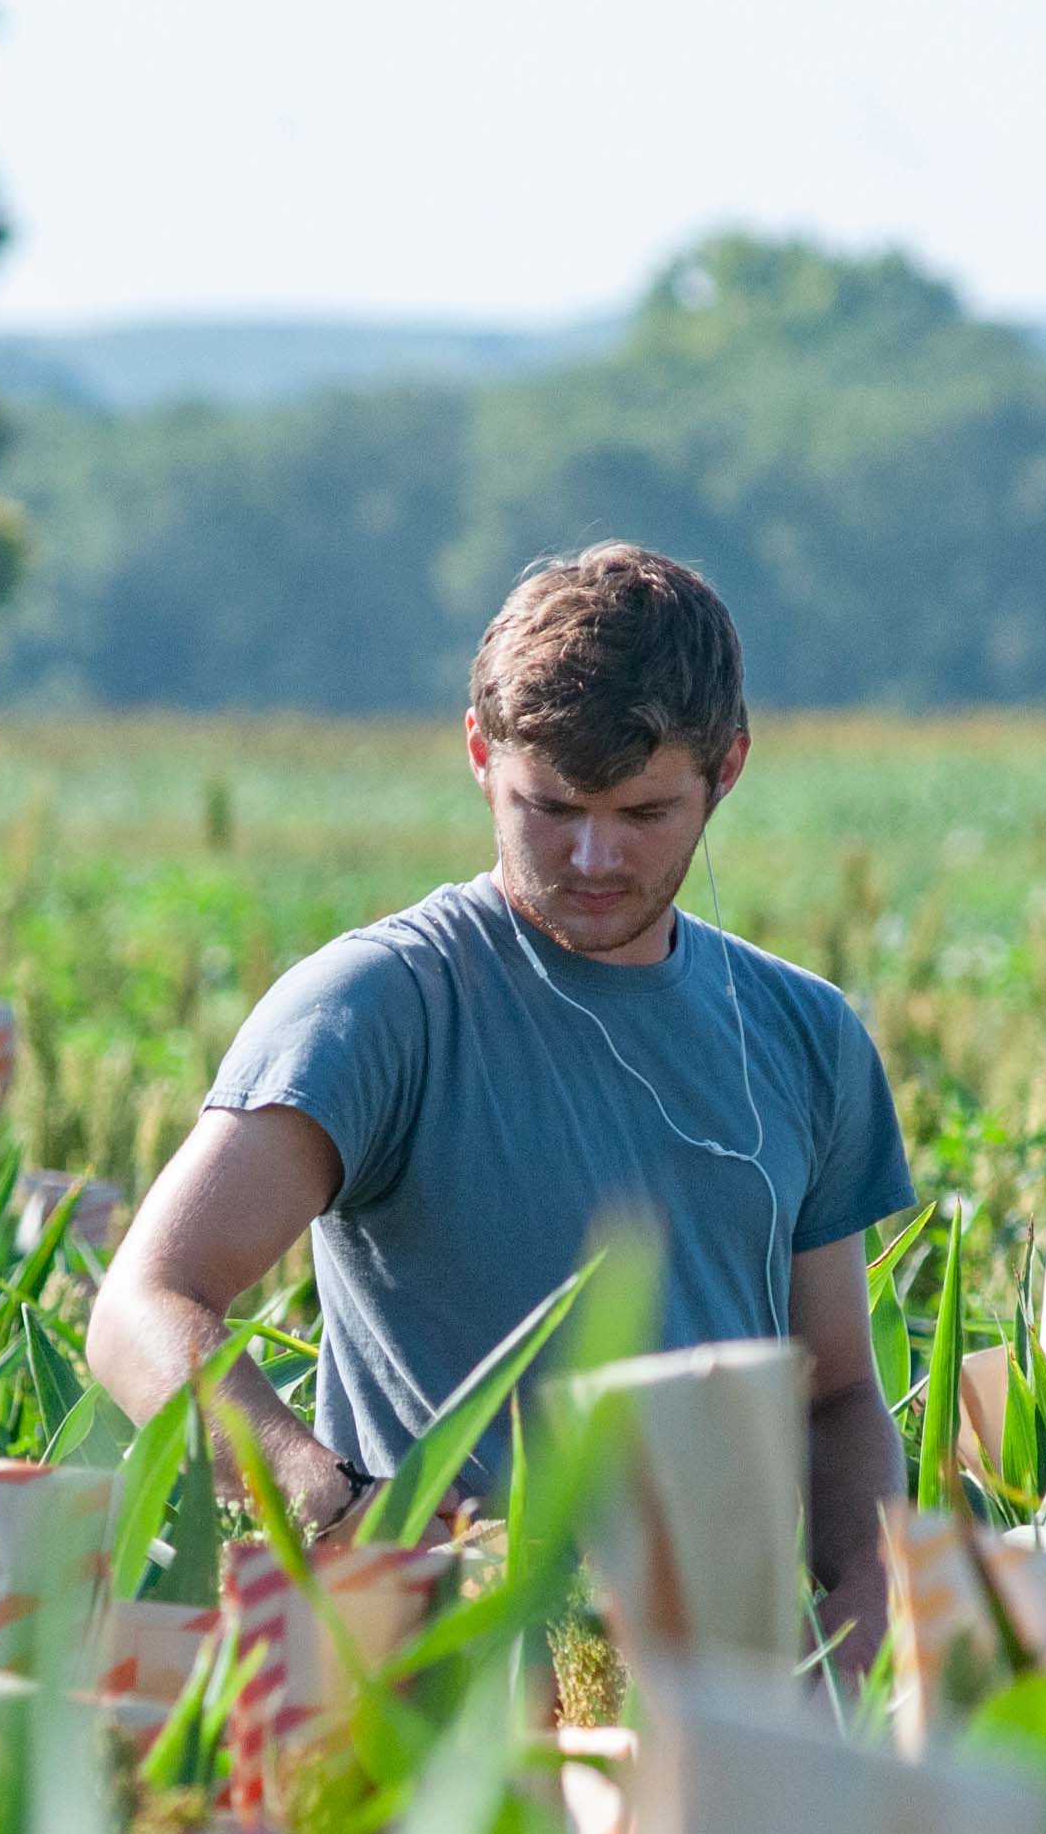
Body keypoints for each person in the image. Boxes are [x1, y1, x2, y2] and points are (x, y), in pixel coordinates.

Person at [86, 542, 914, 1667]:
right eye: (552, 805)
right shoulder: (381, 1007)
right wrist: (327, 1498)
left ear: (727, 769)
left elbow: (837, 1392)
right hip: (443, 1686)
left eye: (643, 810)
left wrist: (871, 1580)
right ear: (480, 754)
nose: (593, 854)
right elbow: (144, 1305)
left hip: (727, 1691)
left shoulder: (804, 1035)